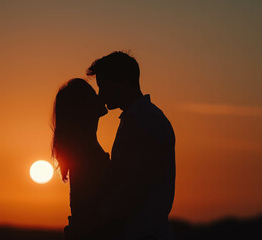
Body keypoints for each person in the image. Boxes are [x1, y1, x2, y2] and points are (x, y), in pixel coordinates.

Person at [86, 51, 176, 240]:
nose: (101, 95)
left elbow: (135, 186)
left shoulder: (147, 121)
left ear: (121, 81)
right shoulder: (136, 119)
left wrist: (95, 220)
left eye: (103, 86)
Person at [51, 78, 111, 240]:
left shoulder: (85, 150)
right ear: (82, 108)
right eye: (93, 94)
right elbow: (91, 214)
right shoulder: (84, 155)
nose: (99, 96)